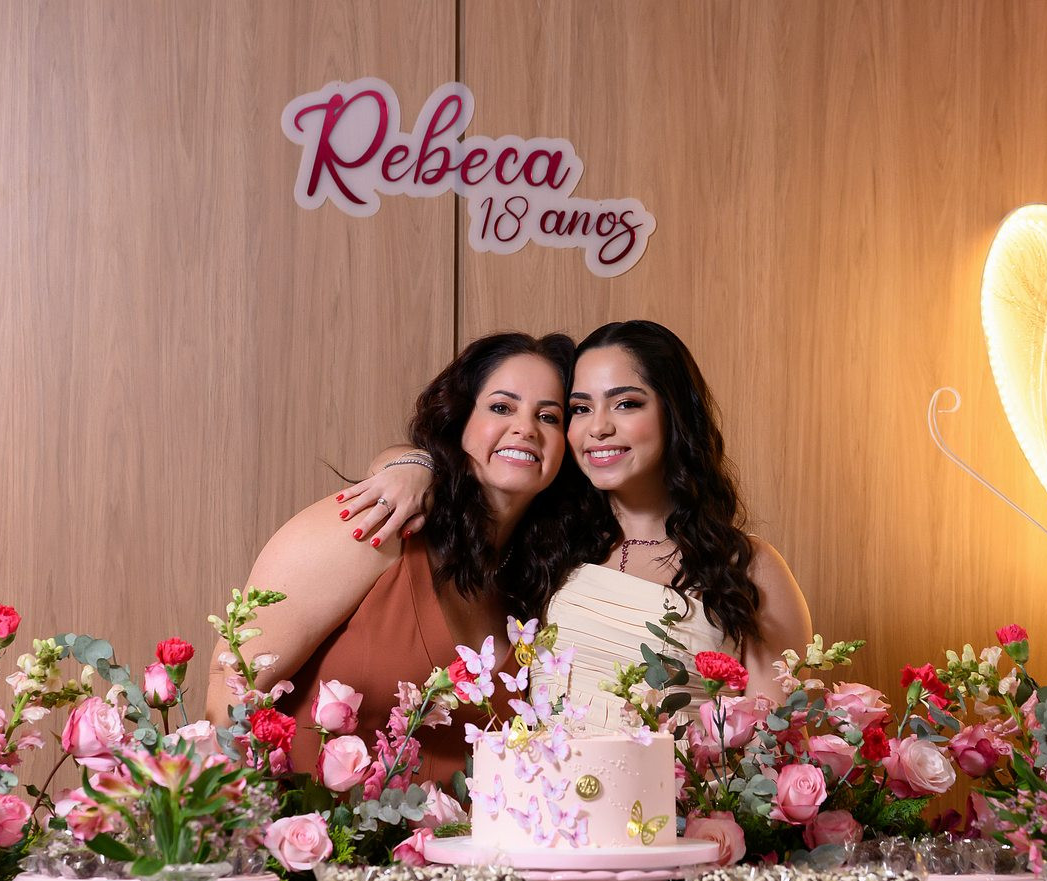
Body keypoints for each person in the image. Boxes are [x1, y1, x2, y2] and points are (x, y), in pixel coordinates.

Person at [339, 319, 811, 723]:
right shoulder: (548, 544)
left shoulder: (746, 567)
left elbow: (775, 750)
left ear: (675, 413)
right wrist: (415, 464)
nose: (598, 427)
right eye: (581, 409)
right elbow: (452, 468)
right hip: (537, 800)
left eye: (626, 403)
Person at [205, 331, 586, 778]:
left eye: (548, 416)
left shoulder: (539, 585)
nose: (526, 428)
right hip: (293, 820)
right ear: (460, 420)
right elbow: (229, 689)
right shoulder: (375, 525)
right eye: (501, 407)